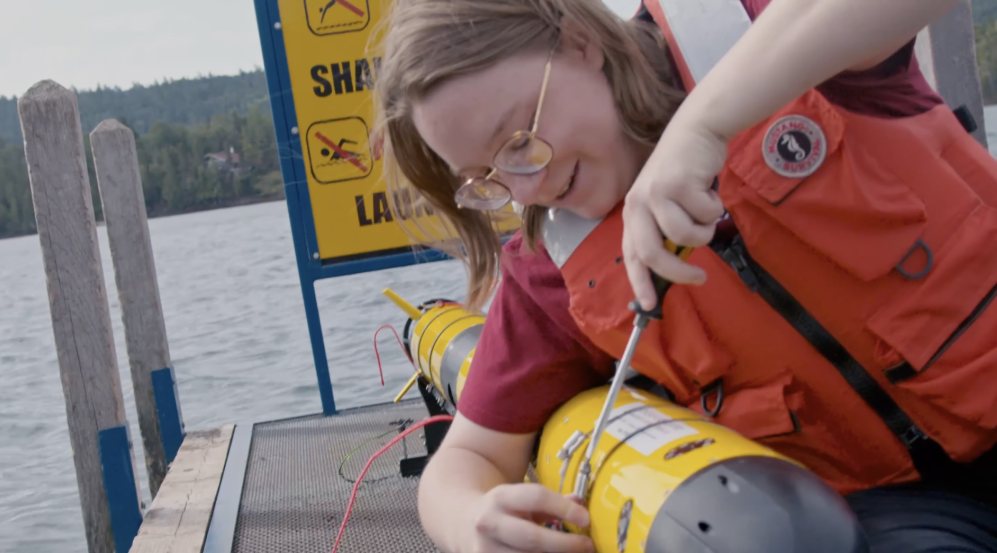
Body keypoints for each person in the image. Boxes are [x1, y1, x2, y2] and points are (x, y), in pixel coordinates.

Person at [371, 0, 997, 552]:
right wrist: (470, 520)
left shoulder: (768, 32)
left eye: (519, 139)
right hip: (897, 514)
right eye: (490, 179)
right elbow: (466, 461)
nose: (526, 186)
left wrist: (707, 123)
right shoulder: (550, 274)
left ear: (578, 44)